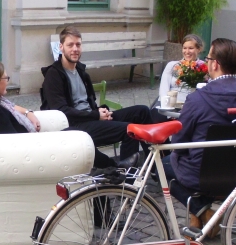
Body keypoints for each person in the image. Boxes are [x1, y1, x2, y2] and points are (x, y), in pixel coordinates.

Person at [165, 38, 236, 228]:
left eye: (208, 57)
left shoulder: (197, 99)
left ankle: (201, 209)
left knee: (163, 164)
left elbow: (179, 141)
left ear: (215, 64)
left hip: (200, 174)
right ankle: (201, 215)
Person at [41, 26, 153, 169]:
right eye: (70, 45)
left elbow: (87, 103)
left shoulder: (80, 71)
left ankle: (158, 166)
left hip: (91, 118)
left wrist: (100, 111)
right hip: (75, 126)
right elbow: (62, 111)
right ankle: (125, 179)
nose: (75, 49)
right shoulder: (54, 75)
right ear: (61, 47)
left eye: (78, 44)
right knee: (130, 130)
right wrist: (95, 115)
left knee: (141, 111)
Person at [152, 34, 204, 123]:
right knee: (155, 117)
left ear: (198, 49)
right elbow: (164, 89)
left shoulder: (203, 67)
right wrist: (169, 110)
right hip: (169, 104)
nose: (187, 51)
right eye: (184, 48)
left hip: (191, 106)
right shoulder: (172, 65)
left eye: (191, 48)